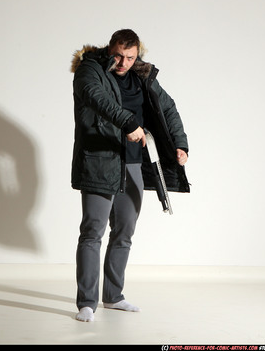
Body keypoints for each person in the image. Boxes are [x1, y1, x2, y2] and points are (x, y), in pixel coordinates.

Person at [70, 29, 190, 322]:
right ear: (109, 48)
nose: (123, 62)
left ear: (138, 54)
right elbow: (97, 98)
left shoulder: (141, 75)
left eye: (130, 57)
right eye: (119, 55)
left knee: (124, 233)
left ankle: (113, 296)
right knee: (92, 232)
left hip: (134, 162)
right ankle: (87, 302)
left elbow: (167, 107)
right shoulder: (90, 70)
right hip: (100, 160)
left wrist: (179, 143)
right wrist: (127, 122)